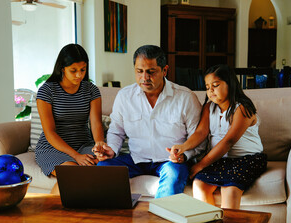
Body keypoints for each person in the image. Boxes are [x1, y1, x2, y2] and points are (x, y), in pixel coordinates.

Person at [94, 45, 203, 198]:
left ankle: (160, 220)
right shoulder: (124, 96)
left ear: (164, 70)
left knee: (174, 175)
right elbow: (116, 131)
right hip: (135, 158)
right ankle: (116, 219)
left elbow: (198, 138)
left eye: (151, 72)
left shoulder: (185, 98)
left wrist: (184, 155)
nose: (144, 78)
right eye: (139, 71)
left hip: (170, 162)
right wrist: (111, 149)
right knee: (103, 167)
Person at [168, 64, 267, 209]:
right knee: (199, 184)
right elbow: (201, 133)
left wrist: (200, 165)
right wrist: (183, 147)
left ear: (230, 84)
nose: (211, 90)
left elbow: (229, 141)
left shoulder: (242, 108)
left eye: (215, 85)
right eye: (207, 87)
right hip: (220, 160)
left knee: (230, 188)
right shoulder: (209, 108)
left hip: (246, 159)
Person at [35, 43, 105, 194]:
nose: (79, 75)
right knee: (72, 174)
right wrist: (76, 156)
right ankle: (52, 214)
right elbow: (49, 132)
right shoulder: (47, 91)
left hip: (84, 144)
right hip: (52, 147)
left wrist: (99, 146)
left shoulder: (91, 90)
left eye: (83, 70)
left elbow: (96, 123)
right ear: (62, 68)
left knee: (103, 167)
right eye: (73, 71)